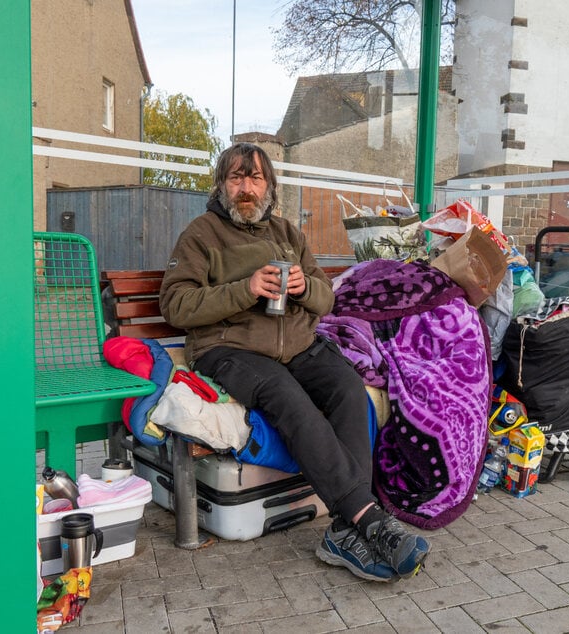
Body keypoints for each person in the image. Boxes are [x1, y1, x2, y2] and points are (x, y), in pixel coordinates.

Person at [159, 143, 430, 582]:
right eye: (236, 178)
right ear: (221, 185)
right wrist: (245, 289)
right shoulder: (201, 234)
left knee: (346, 387)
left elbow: (327, 300)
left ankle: (345, 529)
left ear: (270, 187)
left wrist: (304, 288)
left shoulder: (288, 234)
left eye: (255, 178)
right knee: (288, 398)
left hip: (299, 346)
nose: (246, 188)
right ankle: (368, 518)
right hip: (230, 349)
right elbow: (175, 305)